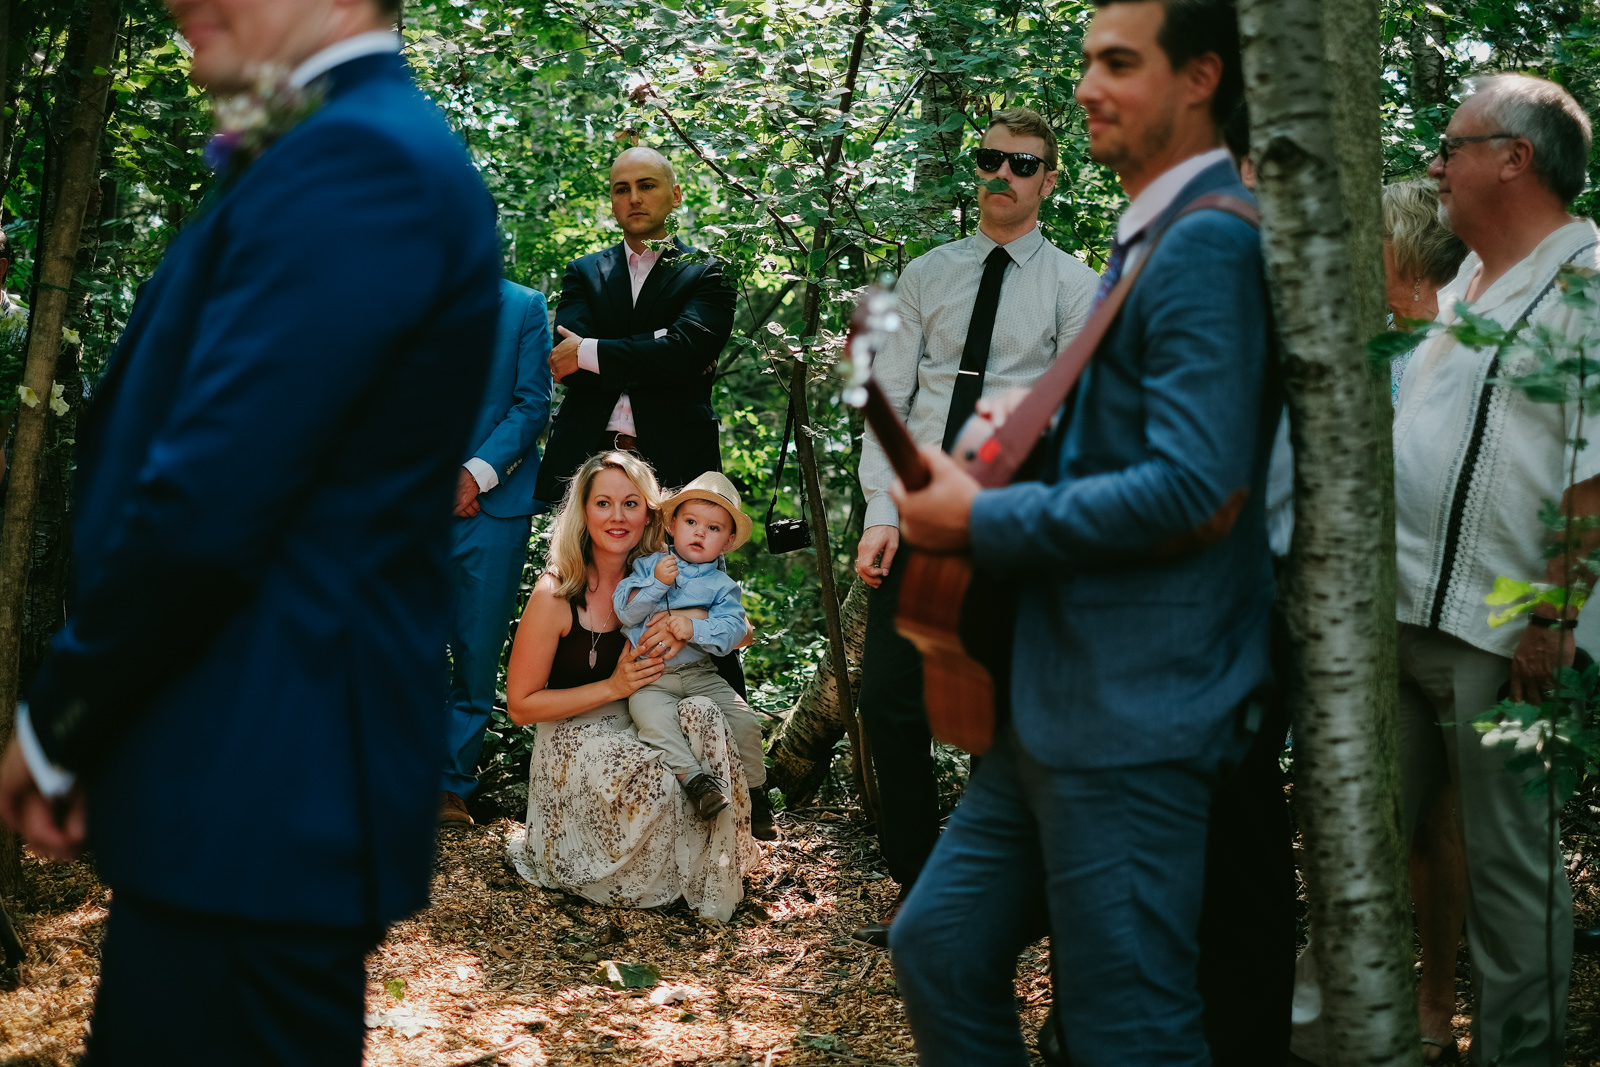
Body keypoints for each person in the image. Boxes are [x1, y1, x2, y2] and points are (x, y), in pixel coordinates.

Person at [0, 0, 501, 1061]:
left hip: (269, 779)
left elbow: (211, 501)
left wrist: (62, 719)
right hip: (234, 775)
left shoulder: (361, 160)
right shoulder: (324, 146)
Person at [885, 1, 1277, 1063]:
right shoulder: (1148, 232)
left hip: (1136, 705)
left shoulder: (1206, 241)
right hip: (1054, 697)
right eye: (1086, 62)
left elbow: (1198, 487)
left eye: (1116, 63)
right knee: (939, 947)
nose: (1087, 87)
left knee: (1127, 1024)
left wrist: (984, 515)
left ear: (1199, 78)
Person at [850, 106, 1098, 946]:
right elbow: (891, 403)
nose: (1002, 175)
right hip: (917, 512)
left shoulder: (1073, 285)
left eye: (1022, 164)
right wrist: (881, 513)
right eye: (990, 159)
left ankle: (991, 893)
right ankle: (918, 885)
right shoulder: (926, 273)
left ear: (1050, 179)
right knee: (889, 698)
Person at [1390, 72, 1597, 1065]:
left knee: (1513, 870)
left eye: (1451, 143)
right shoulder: (1467, 281)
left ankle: (1524, 1050)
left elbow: (1596, 473)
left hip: (1512, 640)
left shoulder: (1589, 284)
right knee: (1368, 832)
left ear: (1513, 158)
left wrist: (1554, 617)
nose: (1437, 162)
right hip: (1401, 618)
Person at [504, 452, 760, 921]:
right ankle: (625, 873)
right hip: (573, 736)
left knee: (705, 712)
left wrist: (690, 619)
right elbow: (520, 706)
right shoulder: (557, 592)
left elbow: (741, 630)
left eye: (630, 503)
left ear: (650, 513)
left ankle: (721, 851)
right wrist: (614, 685)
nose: (617, 516)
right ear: (583, 512)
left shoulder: (666, 570)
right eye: (603, 503)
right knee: (658, 780)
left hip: (640, 718)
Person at [535, 146, 737, 501]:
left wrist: (589, 349)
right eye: (621, 189)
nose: (634, 198)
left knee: (673, 560)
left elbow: (683, 354)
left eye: (646, 185)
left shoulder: (708, 271)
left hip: (676, 462)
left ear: (675, 195)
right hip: (583, 459)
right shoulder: (583, 272)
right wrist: (658, 342)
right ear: (612, 201)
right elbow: (571, 369)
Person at [439, 278, 553, 827]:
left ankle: (450, 786)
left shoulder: (523, 306)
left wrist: (472, 476)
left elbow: (532, 405)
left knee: (476, 652)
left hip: (496, 510)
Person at [613, 471, 774, 837]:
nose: (700, 533)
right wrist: (657, 583)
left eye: (713, 528)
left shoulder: (722, 585)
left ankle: (756, 793)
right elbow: (625, 611)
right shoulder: (648, 565)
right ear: (672, 524)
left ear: (728, 541)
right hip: (651, 676)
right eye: (691, 522)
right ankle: (697, 783)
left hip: (701, 673)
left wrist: (694, 628)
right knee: (651, 718)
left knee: (745, 721)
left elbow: (735, 630)